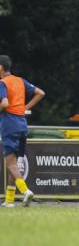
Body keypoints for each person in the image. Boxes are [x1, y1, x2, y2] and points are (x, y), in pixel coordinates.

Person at [0, 55, 45, 208]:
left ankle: (26, 191)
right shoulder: (20, 81)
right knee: (14, 165)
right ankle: (10, 200)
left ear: (0, 67)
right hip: (22, 125)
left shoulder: (2, 83)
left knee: (10, 163)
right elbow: (40, 93)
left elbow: (5, 103)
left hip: (9, 124)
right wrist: (25, 107)